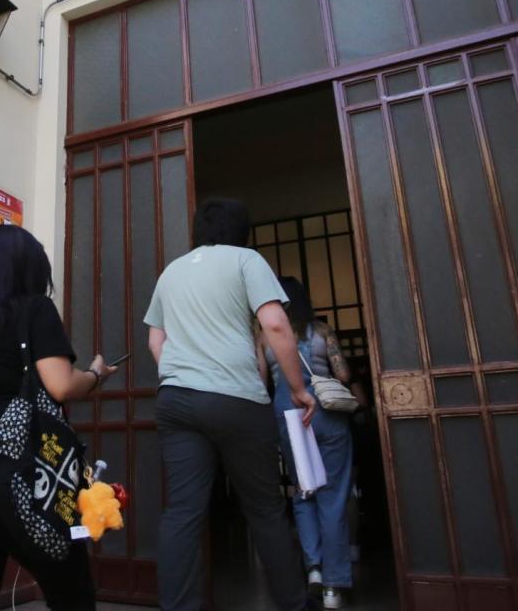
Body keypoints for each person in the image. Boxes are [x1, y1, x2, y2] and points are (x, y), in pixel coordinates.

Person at [0, 224, 118, 611]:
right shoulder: (35, 309)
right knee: (72, 594)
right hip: (12, 472)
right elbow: (61, 385)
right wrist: (95, 374)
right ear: (31, 269)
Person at [143, 198, 318, 611]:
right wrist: (298, 388)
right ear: (242, 230)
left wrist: (181, 374)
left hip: (176, 400)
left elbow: (155, 340)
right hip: (236, 399)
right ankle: (295, 604)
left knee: (182, 511)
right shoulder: (246, 260)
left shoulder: (171, 272)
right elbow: (275, 324)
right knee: (264, 509)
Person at [258, 277, 362, 610]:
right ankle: (334, 586)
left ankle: (313, 568)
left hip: (288, 417)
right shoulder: (322, 331)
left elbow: (261, 383)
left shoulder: (264, 337)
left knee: (303, 493)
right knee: (333, 496)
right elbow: (343, 375)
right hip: (327, 414)